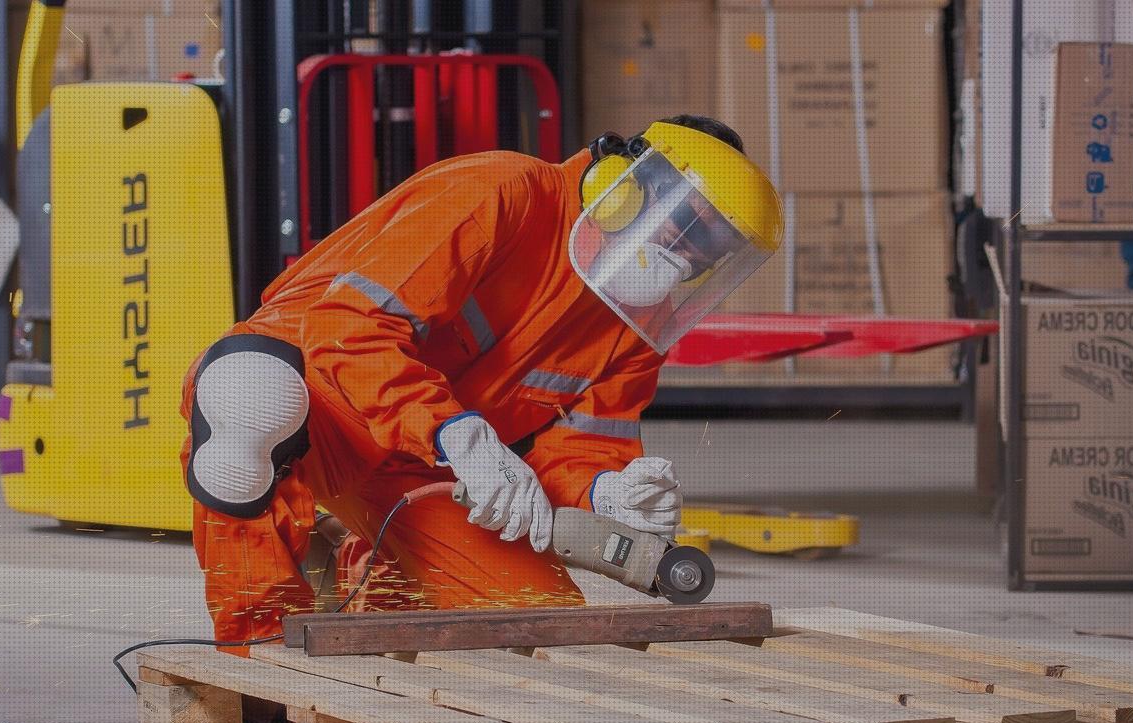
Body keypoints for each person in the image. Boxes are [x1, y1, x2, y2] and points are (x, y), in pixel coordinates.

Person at [181, 115, 783, 651]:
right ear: (622, 188)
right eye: (686, 221)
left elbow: (578, 449)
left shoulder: (637, 322)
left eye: (712, 243)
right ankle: (256, 651)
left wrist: (608, 493)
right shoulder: (503, 191)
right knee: (248, 395)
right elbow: (349, 329)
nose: (689, 249)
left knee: (538, 629)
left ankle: (362, 577)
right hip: (318, 397)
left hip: (429, 469)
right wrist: (459, 435)